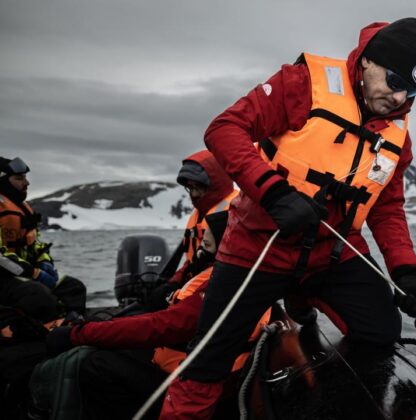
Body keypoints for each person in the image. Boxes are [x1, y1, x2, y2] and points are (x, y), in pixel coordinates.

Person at [161, 17, 416, 418]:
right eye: (394, 81)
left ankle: (325, 392)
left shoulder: (396, 136)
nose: (400, 97)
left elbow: (387, 206)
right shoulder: (303, 83)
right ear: (367, 63)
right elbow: (224, 129)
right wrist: (274, 193)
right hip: (259, 245)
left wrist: (407, 268)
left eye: (413, 89)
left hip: (333, 252)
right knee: (208, 360)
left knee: (381, 331)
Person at [38, 211, 269, 419]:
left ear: (226, 248)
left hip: (195, 389)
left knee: (95, 365)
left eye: (206, 246)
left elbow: (160, 326)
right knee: (112, 346)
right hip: (186, 368)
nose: (199, 253)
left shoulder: (221, 291)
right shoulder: (246, 279)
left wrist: (77, 334)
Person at [144, 150, 238, 311]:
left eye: (199, 188)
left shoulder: (235, 210)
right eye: (190, 188)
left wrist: (178, 294)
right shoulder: (199, 213)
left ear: (215, 184)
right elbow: (193, 259)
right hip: (194, 284)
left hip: (218, 294)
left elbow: (228, 269)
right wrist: (174, 281)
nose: (194, 194)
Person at [0, 157, 57, 289]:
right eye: (19, 178)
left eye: (25, 177)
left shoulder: (22, 207)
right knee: (39, 296)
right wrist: (34, 273)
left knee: (73, 287)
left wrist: (45, 261)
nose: (27, 183)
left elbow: (34, 243)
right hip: (5, 277)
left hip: (22, 274)